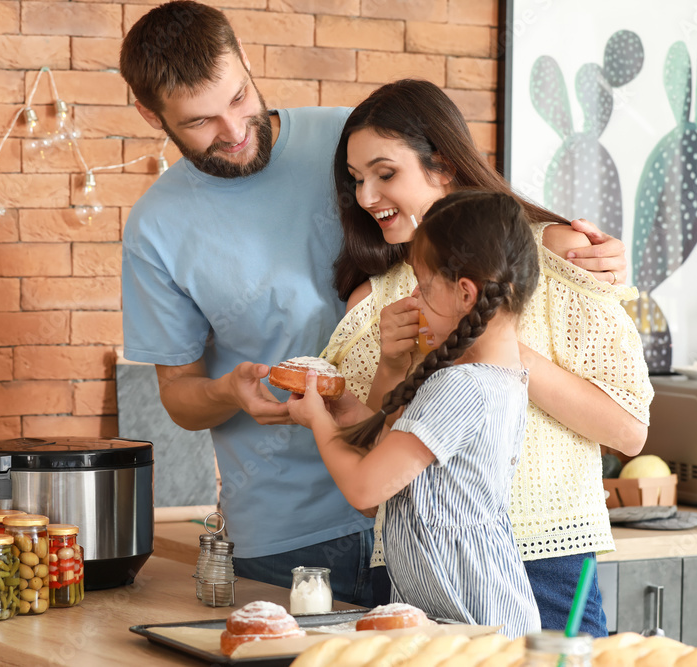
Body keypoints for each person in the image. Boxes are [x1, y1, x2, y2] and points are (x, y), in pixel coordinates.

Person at [118, 1, 626, 605]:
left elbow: (485, 224)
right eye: (200, 121)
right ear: (152, 115)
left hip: (456, 521)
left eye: (237, 99)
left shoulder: (353, 139)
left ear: (248, 64)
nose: (231, 131)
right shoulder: (159, 227)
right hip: (296, 530)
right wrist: (232, 392)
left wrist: (580, 253)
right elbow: (180, 393)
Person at [322, 79, 653, 635]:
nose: (366, 198)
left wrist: (484, 340)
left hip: (543, 557)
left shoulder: (556, 254)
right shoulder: (374, 299)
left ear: (444, 166)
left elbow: (629, 429)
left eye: (385, 174)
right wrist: (390, 367)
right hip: (415, 569)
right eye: (356, 181)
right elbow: (371, 486)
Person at [290, 190, 542, 637]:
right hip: (474, 620)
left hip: (476, 626)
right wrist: (347, 409)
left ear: (466, 293)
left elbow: (366, 487)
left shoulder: (461, 387)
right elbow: (393, 457)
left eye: (424, 288)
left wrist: (318, 421)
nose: (415, 299)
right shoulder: (497, 377)